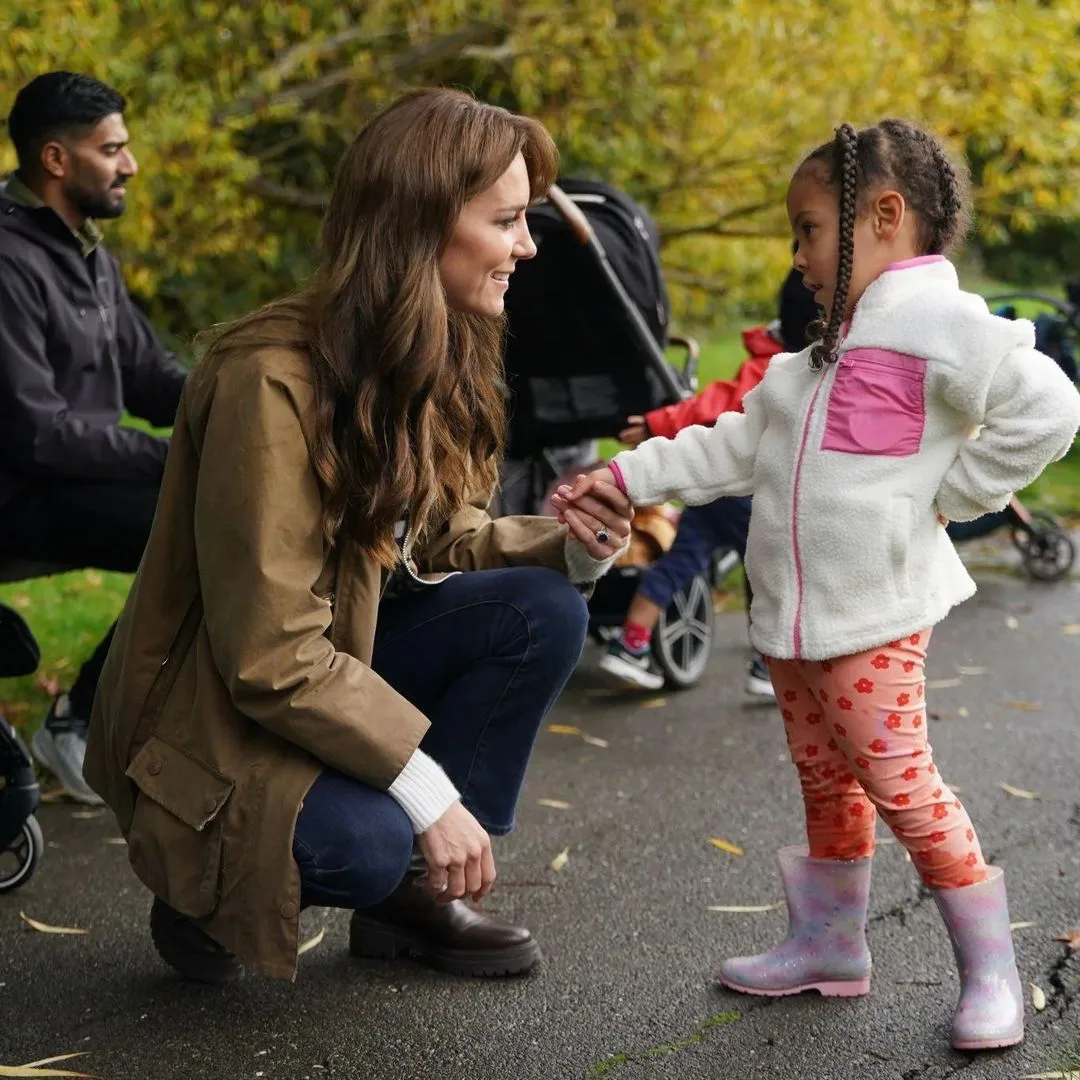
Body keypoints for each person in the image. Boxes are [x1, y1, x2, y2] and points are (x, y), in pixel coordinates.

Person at [84, 88, 633, 985]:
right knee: (371, 844)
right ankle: (206, 888)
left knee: (540, 609)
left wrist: (576, 545)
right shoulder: (270, 380)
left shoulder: (434, 345)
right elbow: (269, 653)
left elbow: (441, 536)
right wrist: (426, 790)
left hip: (321, 676)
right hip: (213, 722)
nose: (528, 246)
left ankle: (414, 902)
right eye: (506, 221)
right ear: (419, 224)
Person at [554, 119, 1080, 1050]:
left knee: (903, 786)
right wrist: (625, 479)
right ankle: (830, 943)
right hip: (792, 621)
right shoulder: (812, 359)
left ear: (884, 216)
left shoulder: (940, 325)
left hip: (873, 615)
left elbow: (1049, 406)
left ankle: (990, 972)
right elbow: (731, 446)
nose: (796, 255)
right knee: (825, 781)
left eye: (808, 230)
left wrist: (953, 492)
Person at [0, 72, 187, 805]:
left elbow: (148, 376)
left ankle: (122, 715)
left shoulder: (87, 253)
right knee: (201, 531)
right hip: (20, 492)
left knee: (227, 513)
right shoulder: (8, 261)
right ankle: (81, 720)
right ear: (56, 159)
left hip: (74, 484)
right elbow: (34, 433)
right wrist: (169, 456)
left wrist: (246, 398)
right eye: (113, 150)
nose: (130, 165)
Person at [599, 267, 818, 695]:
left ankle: (631, 645)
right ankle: (768, 664)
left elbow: (710, 403)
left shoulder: (764, 361)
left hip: (709, 492)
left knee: (681, 561)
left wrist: (656, 423)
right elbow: (717, 409)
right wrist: (658, 423)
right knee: (773, 572)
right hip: (744, 491)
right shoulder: (786, 370)